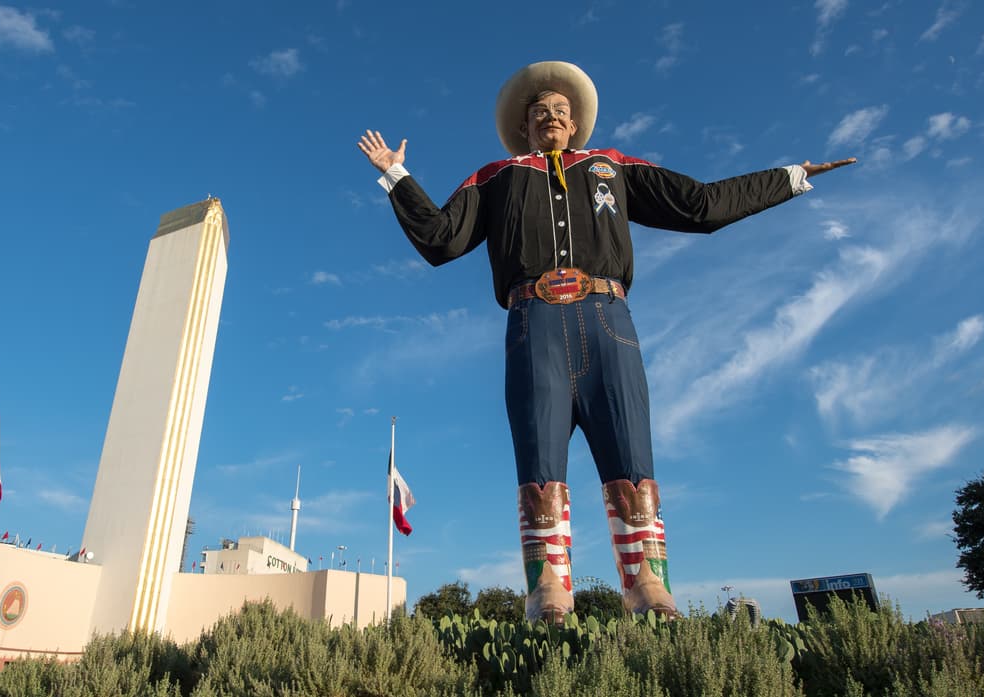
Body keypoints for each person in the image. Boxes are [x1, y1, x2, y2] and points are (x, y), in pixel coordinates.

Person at [359, 61, 856, 624]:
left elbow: (700, 205)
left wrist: (790, 177)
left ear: (575, 126)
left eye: (561, 112)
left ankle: (648, 585)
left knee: (631, 455)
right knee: (539, 462)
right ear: (524, 126)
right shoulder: (496, 175)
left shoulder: (611, 166)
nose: (551, 117)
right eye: (540, 112)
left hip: (608, 318)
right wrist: (397, 176)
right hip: (533, 321)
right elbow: (441, 239)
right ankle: (547, 588)